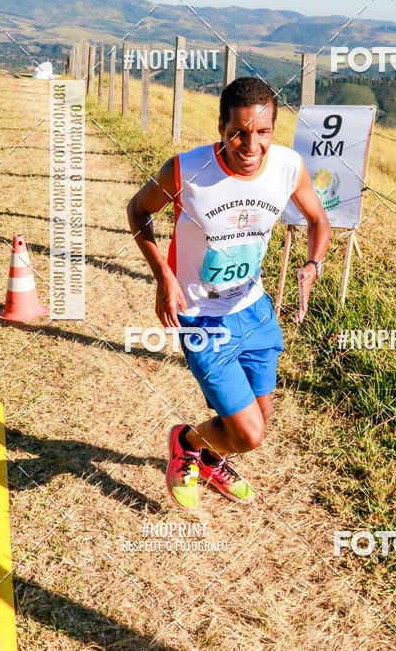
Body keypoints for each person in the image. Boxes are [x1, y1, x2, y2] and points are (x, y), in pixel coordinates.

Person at [127, 76, 330, 509]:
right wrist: (163, 274)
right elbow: (138, 210)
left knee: (260, 416)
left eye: (263, 132)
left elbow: (318, 219)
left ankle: (207, 457)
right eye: (239, 132)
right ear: (221, 127)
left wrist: (313, 263)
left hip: (255, 310)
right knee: (249, 434)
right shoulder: (186, 170)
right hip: (202, 317)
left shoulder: (289, 166)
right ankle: (186, 441)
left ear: (273, 130)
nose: (251, 146)